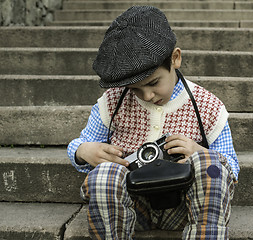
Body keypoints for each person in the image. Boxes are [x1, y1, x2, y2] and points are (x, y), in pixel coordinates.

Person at [67, 5, 239, 240]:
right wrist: (83, 151)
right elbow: (79, 145)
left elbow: (232, 168)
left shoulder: (207, 106)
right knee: (103, 173)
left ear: (175, 59)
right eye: (135, 89)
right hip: (131, 207)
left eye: (154, 83)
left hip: (187, 207)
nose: (147, 95)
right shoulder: (113, 102)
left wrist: (199, 152)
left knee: (213, 165)